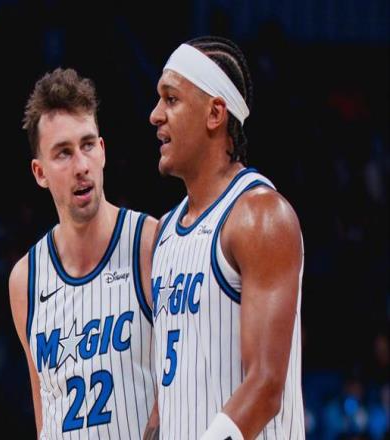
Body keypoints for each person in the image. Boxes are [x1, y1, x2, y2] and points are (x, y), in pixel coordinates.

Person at [147, 36, 305, 439]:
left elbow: (266, 387)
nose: (155, 115)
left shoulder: (260, 217)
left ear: (215, 113)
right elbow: (167, 397)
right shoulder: (164, 232)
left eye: (171, 99)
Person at [9, 67, 157, 439]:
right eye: (63, 153)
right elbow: (44, 415)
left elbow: (183, 380)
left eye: (87, 145)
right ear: (39, 172)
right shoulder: (25, 280)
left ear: (102, 151)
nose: (81, 166)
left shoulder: (149, 243)